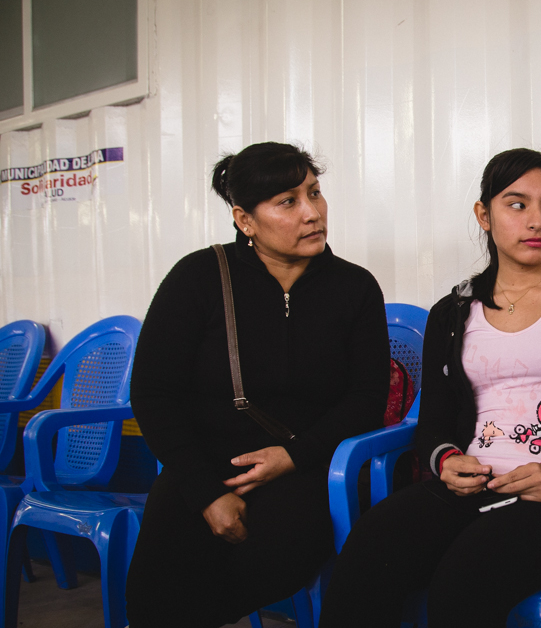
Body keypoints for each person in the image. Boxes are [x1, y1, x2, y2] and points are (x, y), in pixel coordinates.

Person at [320, 148, 541, 628]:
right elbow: (432, 422)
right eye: (517, 205)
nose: (537, 220)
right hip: (474, 487)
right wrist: (447, 460)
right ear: (484, 215)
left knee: (465, 578)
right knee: (370, 548)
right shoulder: (451, 314)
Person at [126, 142, 390, 628]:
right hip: (206, 465)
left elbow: (367, 400)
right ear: (245, 220)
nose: (312, 213)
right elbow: (153, 393)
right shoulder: (198, 278)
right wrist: (206, 492)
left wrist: (292, 457)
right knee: (161, 579)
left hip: (308, 467)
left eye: (314, 193)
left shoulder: (354, 288)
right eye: (288, 201)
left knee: (275, 551)